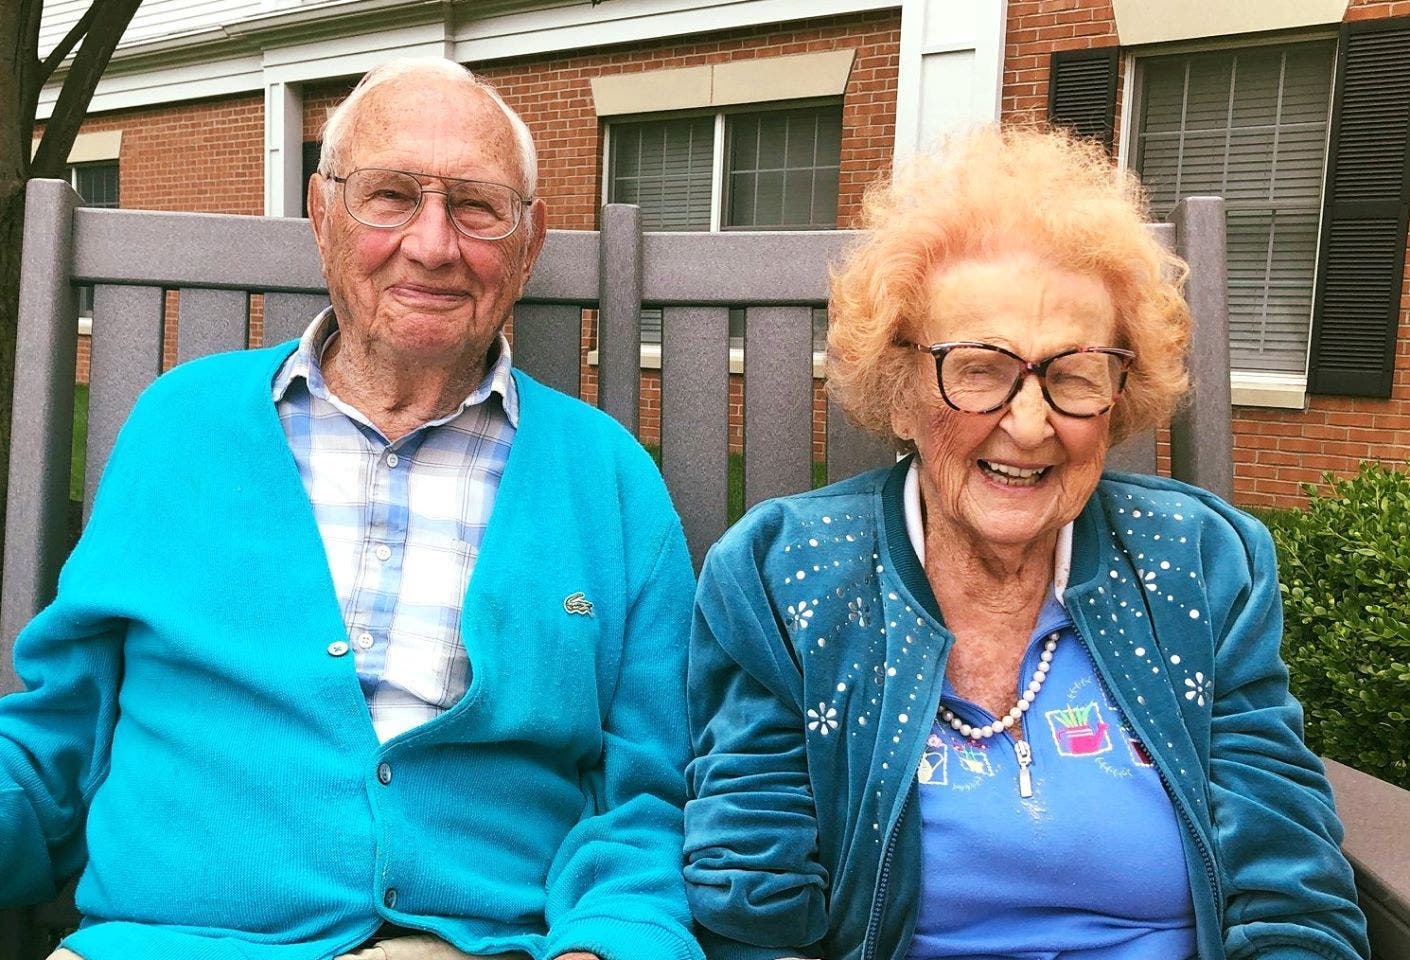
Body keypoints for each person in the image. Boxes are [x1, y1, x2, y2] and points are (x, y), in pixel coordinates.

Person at [0, 57, 702, 960]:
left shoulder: (606, 477)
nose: (433, 243)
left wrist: (608, 940)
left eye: (478, 207)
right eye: (390, 196)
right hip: (172, 938)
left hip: (476, 946)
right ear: (323, 216)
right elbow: (63, 727)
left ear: (528, 247)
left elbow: (652, 793)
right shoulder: (179, 425)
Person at [683, 127, 1369, 960]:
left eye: (1075, 374)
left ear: (1121, 398)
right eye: (979, 368)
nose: (1031, 423)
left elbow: (1289, 882)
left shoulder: (1203, 564)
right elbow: (753, 901)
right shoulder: (785, 575)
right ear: (901, 392)